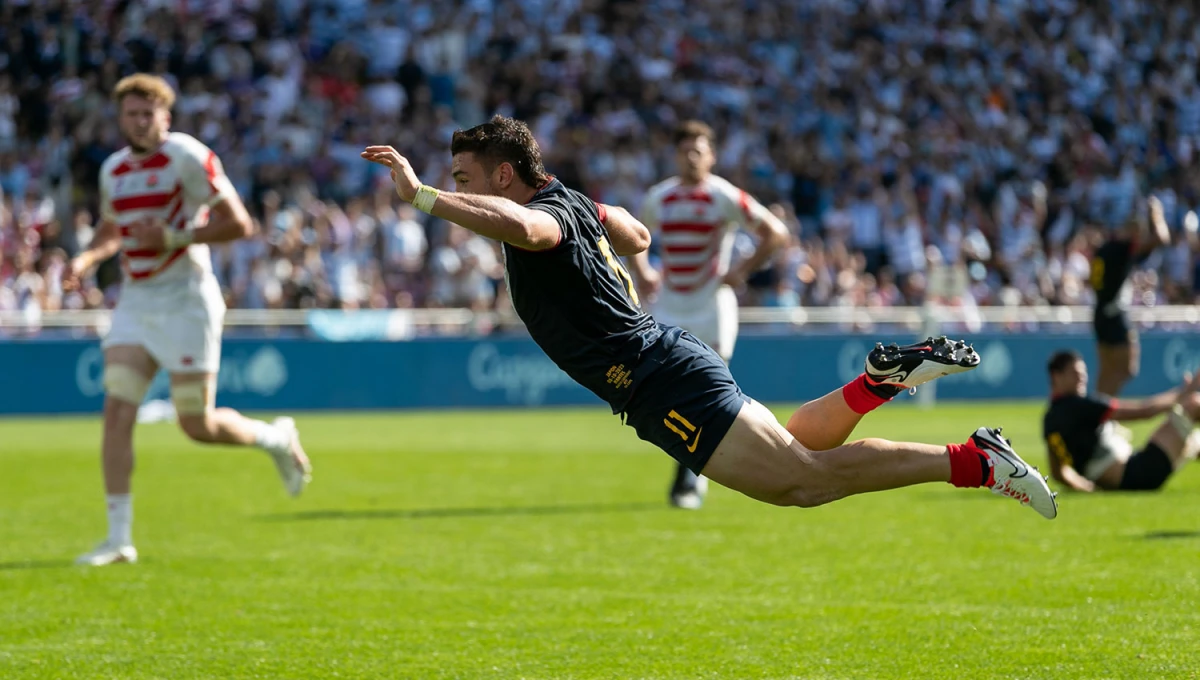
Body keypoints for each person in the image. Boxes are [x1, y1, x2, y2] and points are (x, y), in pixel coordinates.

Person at [361, 115, 1058, 520]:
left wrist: (422, 197)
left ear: (503, 175)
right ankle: (876, 383)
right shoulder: (574, 200)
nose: (459, 189)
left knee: (802, 484)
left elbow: (529, 231)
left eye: (463, 178)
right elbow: (635, 233)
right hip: (667, 356)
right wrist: (620, 241)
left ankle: (973, 462)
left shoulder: (536, 217)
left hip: (657, 378)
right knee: (800, 456)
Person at [66, 74, 312, 566]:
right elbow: (114, 228)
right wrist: (87, 259)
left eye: (148, 114)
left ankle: (276, 438)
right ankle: (118, 539)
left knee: (196, 425)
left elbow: (241, 224)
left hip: (187, 299)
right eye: (131, 114)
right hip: (137, 300)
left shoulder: (187, 156)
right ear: (120, 119)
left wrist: (176, 237)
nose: (140, 122)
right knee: (117, 412)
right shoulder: (113, 170)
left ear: (166, 117)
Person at [630, 120, 790, 509]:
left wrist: (742, 270)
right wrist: (644, 271)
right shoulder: (661, 196)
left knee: (706, 393)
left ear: (712, 155)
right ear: (675, 154)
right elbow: (631, 235)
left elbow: (776, 232)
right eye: (684, 149)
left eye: (698, 150)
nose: (691, 157)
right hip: (669, 305)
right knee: (667, 394)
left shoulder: (723, 196)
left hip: (711, 307)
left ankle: (688, 475)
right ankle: (691, 471)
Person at [1043, 350, 1200, 492]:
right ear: (1056, 376)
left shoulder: (1049, 419)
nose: (1082, 378)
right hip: (1139, 473)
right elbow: (1144, 411)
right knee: (1193, 404)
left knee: (1194, 441)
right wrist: (1182, 394)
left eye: (1083, 373)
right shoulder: (1080, 405)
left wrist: (1088, 487)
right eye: (1075, 373)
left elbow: (1058, 472)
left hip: (1125, 477)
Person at [1089, 196, 1170, 397]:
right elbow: (1162, 239)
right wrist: (1156, 214)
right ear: (1133, 231)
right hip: (1115, 315)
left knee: (1107, 371)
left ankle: (1097, 418)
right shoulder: (1122, 249)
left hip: (1099, 312)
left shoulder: (1105, 248)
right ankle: (1104, 414)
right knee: (1127, 369)